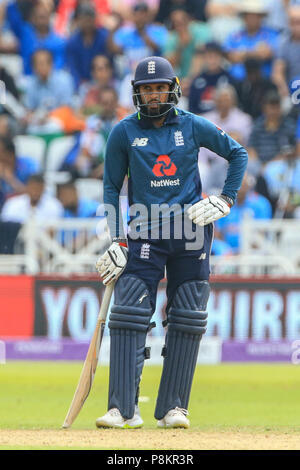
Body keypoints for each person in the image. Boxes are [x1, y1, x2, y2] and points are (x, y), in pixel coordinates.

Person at [94, 56, 248, 429]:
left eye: (158, 87)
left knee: (188, 316)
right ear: (136, 93)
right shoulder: (124, 132)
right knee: (129, 315)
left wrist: (224, 200)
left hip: (190, 230)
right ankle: (123, 409)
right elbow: (112, 187)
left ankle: (174, 407)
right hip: (144, 230)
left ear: (172, 88)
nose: (152, 95)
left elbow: (237, 154)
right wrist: (116, 238)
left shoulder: (192, 125)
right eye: (145, 89)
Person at [224, 0, 279, 82]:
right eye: (248, 15)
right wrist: (256, 53)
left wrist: (242, 54)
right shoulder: (234, 36)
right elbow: (231, 57)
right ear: (244, 17)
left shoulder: (271, 34)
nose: (251, 19)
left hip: (263, 82)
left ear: (260, 17)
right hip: (237, 82)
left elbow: (266, 54)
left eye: (255, 16)